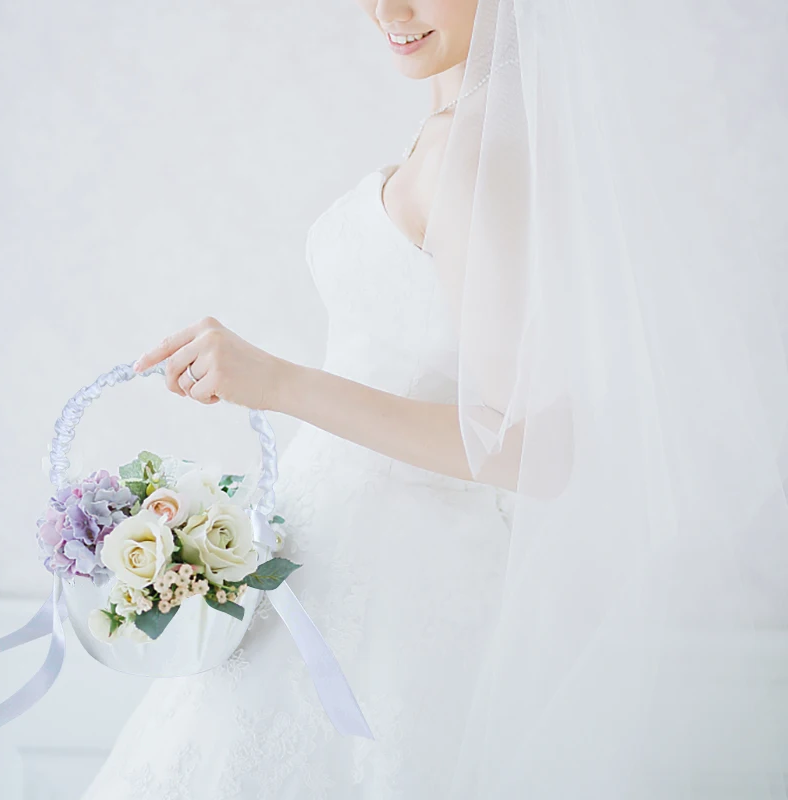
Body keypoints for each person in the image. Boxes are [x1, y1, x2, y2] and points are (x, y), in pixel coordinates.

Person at [80, 2, 517, 798]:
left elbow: (512, 444)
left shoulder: (474, 147)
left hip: (395, 589)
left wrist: (277, 383)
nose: (388, 10)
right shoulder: (449, 128)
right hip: (333, 549)